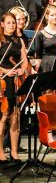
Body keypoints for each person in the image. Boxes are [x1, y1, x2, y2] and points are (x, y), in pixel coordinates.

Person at [0, 13, 29, 164]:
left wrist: (22, 70)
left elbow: (24, 61)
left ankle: (14, 152)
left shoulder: (19, 41)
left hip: (16, 81)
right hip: (3, 82)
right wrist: (6, 71)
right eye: (9, 23)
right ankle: (0, 153)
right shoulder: (0, 40)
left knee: (15, 117)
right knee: (3, 116)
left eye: (13, 23)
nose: (12, 25)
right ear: (3, 24)